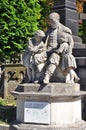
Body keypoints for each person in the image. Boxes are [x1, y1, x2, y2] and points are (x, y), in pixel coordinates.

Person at [43, 12, 74, 84]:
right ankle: (35, 77)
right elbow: (44, 41)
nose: (51, 23)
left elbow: (70, 42)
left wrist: (69, 51)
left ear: (58, 20)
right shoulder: (48, 30)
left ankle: (47, 76)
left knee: (54, 57)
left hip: (58, 51)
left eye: (53, 21)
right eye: (50, 21)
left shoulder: (65, 30)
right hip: (47, 50)